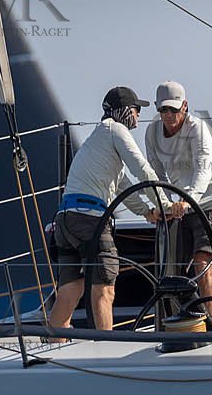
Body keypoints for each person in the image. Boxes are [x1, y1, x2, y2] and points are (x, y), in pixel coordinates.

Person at [45, 86, 160, 339]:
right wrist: (164, 204)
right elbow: (142, 171)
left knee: (71, 289)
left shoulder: (97, 140)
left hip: (64, 221)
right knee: (104, 290)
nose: (139, 115)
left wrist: (147, 212)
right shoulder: (116, 130)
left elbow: (122, 186)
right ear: (124, 112)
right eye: (136, 110)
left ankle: (52, 348)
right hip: (90, 221)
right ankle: (105, 351)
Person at [142, 81, 212, 321]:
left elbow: (202, 171)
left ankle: (211, 324)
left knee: (202, 258)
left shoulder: (198, 128)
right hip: (185, 203)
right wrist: (163, 206)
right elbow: (155, 176)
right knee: (174, 263)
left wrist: (186, 202)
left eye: (173, 110)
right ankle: (183, 319)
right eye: (163, 110)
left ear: (184, 106)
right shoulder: (152, 133)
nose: (168, 115)